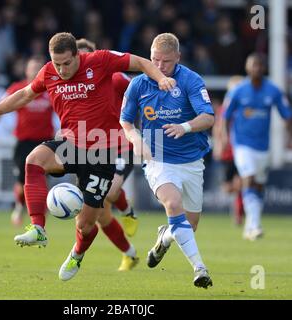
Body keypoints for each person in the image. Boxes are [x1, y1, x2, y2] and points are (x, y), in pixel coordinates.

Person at [0, 32, 176, 281]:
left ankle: (77, 254)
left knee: (86, 224)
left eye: (66, 63)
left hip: (102, 153)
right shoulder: (49, 72)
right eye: (56, 63)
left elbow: (140, 63)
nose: (60, 69)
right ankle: (38, 227)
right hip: (70, 144)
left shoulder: (100, 61)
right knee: (33, 160)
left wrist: (160, 79)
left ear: (77, 55)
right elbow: (25, 95)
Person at [120, 33, 214, 289]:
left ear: (178, 58)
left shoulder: (191, 80)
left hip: (192, 160)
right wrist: (135, 138)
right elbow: (126, 121)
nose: (159, 67)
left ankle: (165, 238)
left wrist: (184, 127)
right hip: (158, 158)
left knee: (189, 226)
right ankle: (200, 268)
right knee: (173, 204)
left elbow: (208, 117)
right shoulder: (138, 84)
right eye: (154, 60)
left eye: (166, 62)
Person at [76, 38, 138, 271]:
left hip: (121, 144)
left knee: (110, 191)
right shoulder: (73, 86)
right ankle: (130, 254)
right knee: (100, 214)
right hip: (91, 150)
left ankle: (128, 210)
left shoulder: (115, 78)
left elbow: (137, 93)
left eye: (84, 58)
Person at [0, 56, 56, 226]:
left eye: (38, 67)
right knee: (23, 183)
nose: (35, 70)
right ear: (26, 70)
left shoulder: (50, 89)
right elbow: (0, 109)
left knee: (43, 181)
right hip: (24, 142)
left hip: (45, 142)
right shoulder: (18, 88)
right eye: (32, 67)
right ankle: (19, 206)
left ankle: (39, 217)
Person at [224, 53, 292, 241]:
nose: (257, 68)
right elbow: (225, 116)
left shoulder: (273, 91)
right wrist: (224, 139)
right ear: (247, 68)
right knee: (249, 177)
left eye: (260, 65)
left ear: (264, 68)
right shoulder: (238, 90)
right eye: (253, 65)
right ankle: (254, 225)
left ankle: (250, 224)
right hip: (242, 145)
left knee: (259, 185)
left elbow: (287, 115)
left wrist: (289, 137)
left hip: (262, 146)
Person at [212, 75, 245, 225]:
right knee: (228, 187)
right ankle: (238, 198)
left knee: (242, 182)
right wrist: (219, 146)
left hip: (242, 150)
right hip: (227, 152)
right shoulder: (224, 109)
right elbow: (218, 129)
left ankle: (239, 214)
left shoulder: (245, 108)